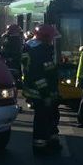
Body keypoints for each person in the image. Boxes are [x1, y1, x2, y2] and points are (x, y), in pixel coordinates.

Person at [21, 24, 61, 153]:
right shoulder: (38, 52)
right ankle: (40, 147)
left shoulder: (37, 48)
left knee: (52, 116)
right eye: (51, 38)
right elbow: (38, 76)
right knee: (42, 119)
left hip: (46, 91)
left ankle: (52, 141)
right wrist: (46, 95)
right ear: (45, 38)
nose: (52, 40)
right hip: (40, 92)